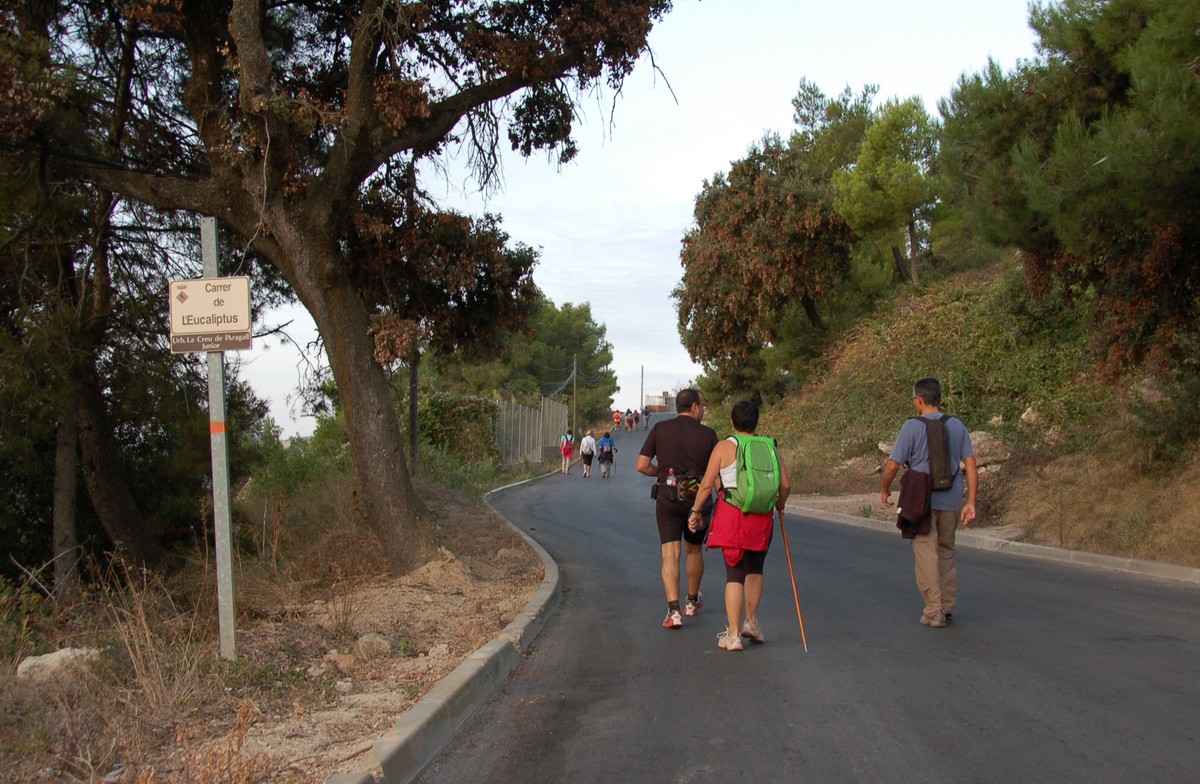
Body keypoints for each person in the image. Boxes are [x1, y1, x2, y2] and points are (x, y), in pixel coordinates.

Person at [689, 400, 791, 651]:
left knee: (734, 574)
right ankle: (751, 622)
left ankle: (733, 635)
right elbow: (786, 485)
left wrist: (695, 511)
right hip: (762, 517)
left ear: (732, 422)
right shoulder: (769, 446)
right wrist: (780, 504)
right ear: (756, 422)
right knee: (756, 568)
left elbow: (707, 484)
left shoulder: (724, 446)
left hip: (733, 515)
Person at [880, 377, 978, 628]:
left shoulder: (911, 427)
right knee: (946, 550)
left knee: (926, 552)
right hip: (951, 498)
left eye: (914, 398)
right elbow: (970, 464)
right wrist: (971, 502)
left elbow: (893, 465)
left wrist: (885, 488)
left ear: (920, 400)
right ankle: (947, 605)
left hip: (921, 500)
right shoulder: (957, 425)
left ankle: (934, 610)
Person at [636, 388, 718, 629]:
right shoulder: (708, 434)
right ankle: (692, 601)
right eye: (702, 405)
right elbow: (716, 474)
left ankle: (673, 612)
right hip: (698, 500)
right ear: (694, 407)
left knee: (670, 554)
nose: (703, 410)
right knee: (694, 551)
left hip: (668, 497)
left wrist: (661, 474)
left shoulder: (660, 429)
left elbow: (642, 465)